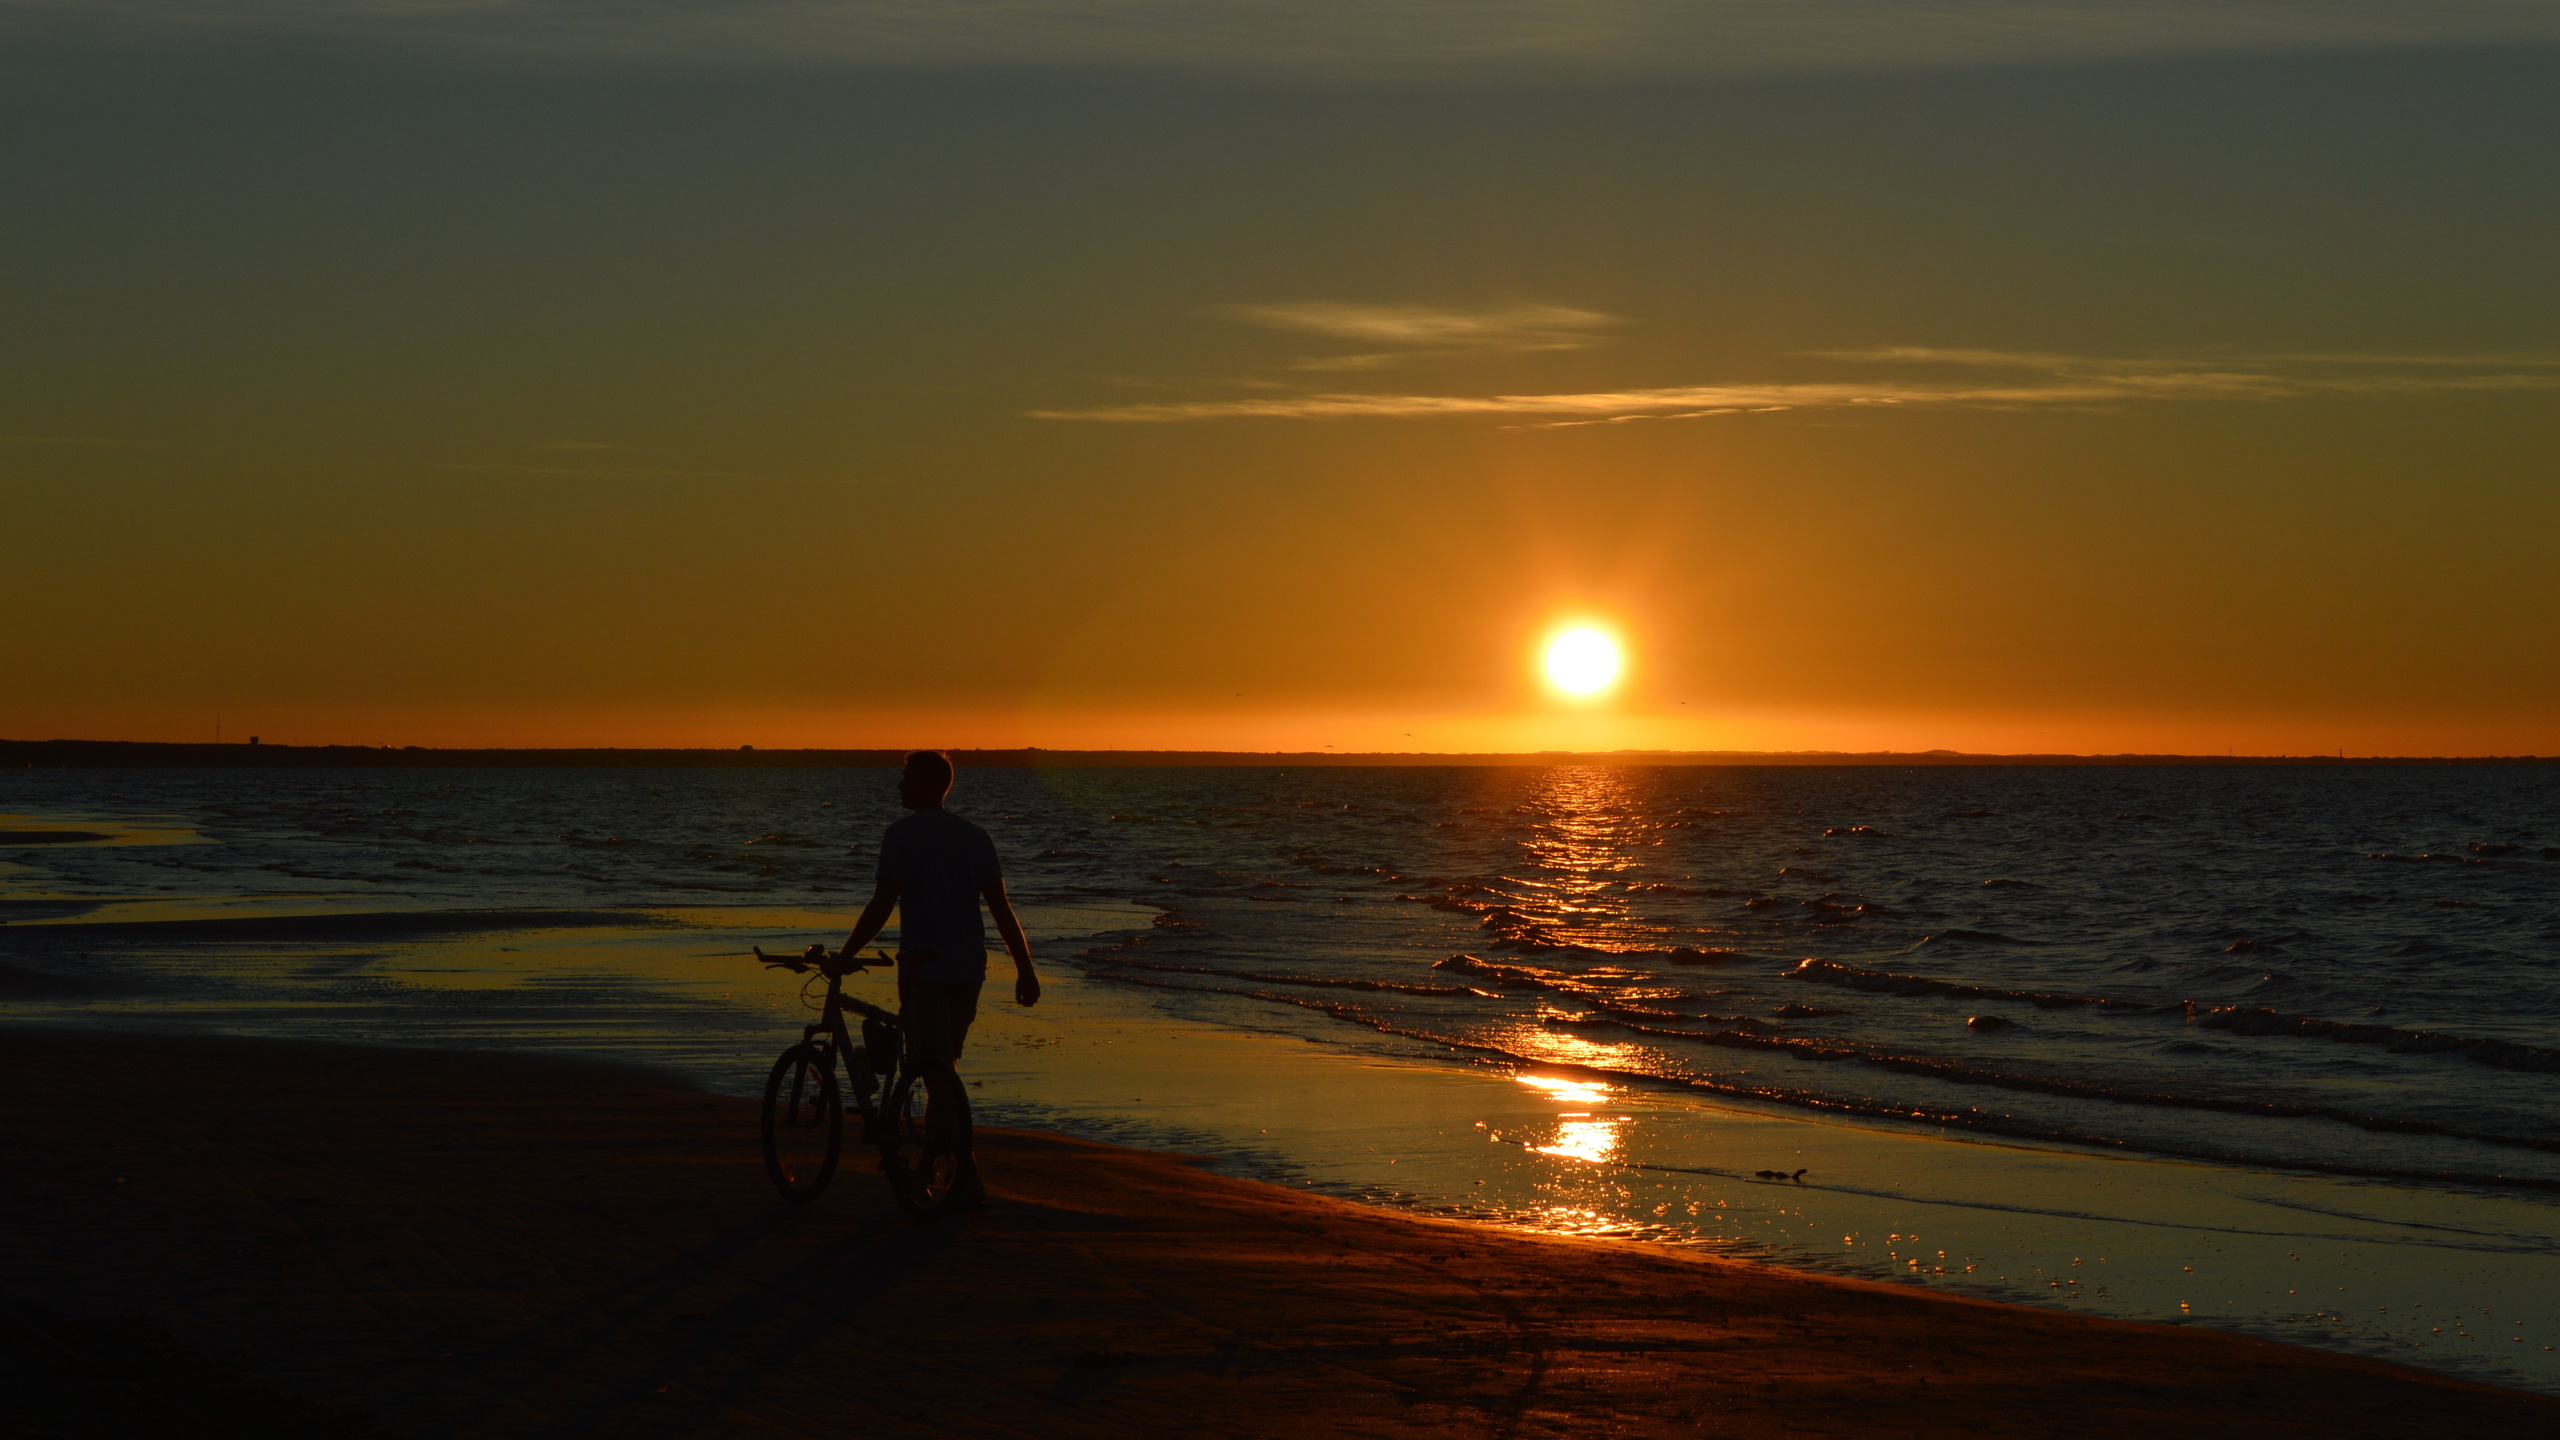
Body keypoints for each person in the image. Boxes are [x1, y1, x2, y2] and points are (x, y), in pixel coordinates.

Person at [834, 750, 1038, 1210]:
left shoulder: (901, 835)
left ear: (928, 784)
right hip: (969, 968)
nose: (899, 786)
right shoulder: (974, 836)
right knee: (943, 1068)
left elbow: (883, 902)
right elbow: (1001, 909)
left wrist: (846, 954)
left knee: (936, 1068)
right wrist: (1024, 967)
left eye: (906, 778)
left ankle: (966, 1171)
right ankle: (929, 1167)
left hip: (924, 968)